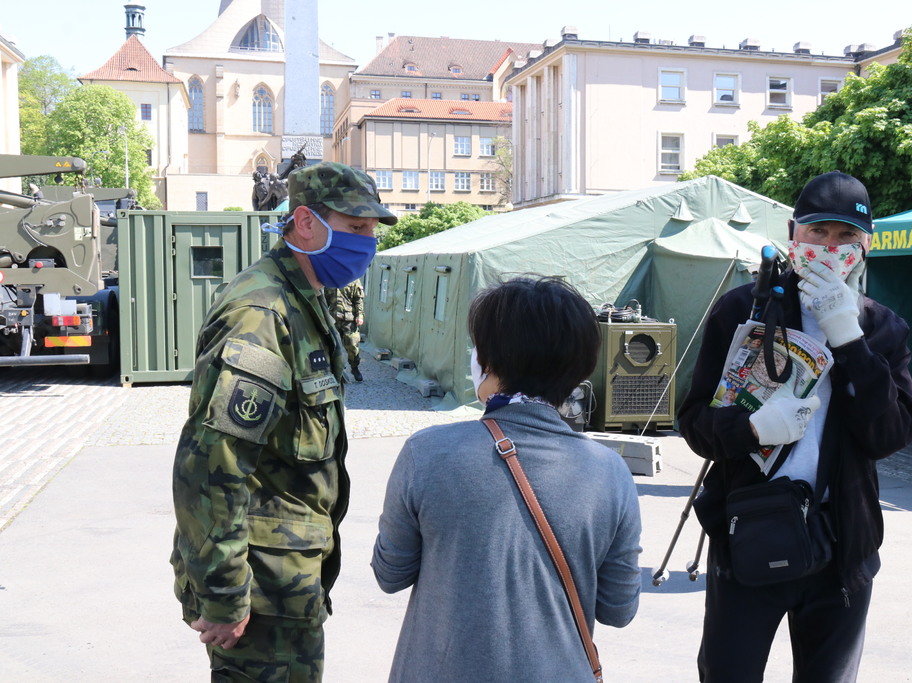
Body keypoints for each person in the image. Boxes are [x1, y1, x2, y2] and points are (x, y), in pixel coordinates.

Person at [678, 171, 912, 682]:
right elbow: (694, 421)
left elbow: (890, 434)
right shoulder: (741, 310)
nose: (830, 247)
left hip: (842, 540)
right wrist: (751, 430)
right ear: (793, 233)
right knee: (728, 672)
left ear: (865, 243)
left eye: (846, 235)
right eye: (818, 232)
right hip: (750, 527)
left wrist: (848, 339)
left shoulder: (882, 328)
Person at [170, 162, 396, 681]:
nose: (367, 242)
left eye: (372, 231)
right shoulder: (262, 312)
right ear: (306, 221)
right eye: (356, 227)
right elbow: (212, 466)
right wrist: (226, 594)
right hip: (259, 589)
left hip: (287, 580)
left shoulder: (305, 297)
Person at [371, 276, 642, 681]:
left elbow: (389, 574)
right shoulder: (609, 472)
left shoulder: (426, 452)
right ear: (580, 365)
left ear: (489, 362)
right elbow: (619, 609)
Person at [325, 279, 365, 382]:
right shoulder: (330, 278)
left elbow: (358, 299)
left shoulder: (353, 278)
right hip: (333, 319)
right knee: (332, 345)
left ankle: (354, 367)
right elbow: (324, 301)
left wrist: (359, 315)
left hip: (349, 320)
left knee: (352, 345)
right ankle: (336, 370)